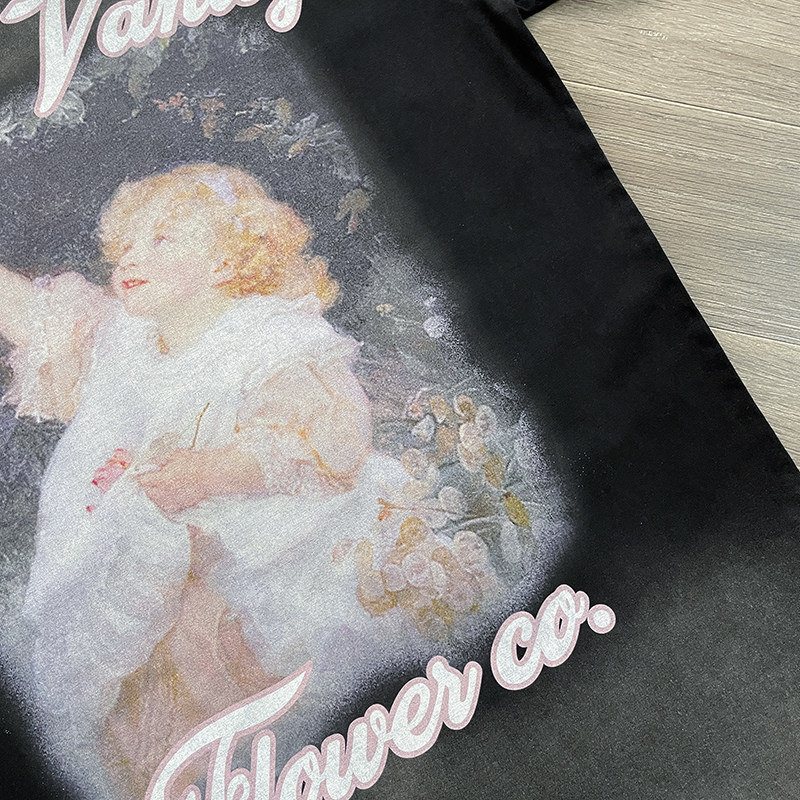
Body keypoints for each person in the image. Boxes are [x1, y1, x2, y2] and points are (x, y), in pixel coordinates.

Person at [0, 163, 438, 799]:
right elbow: (35, 314)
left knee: (225, 692)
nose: (131, 257)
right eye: (126, 243)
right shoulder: (122, 340)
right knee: (135, 721)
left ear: (227, 263)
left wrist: (208, 472)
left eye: (163, 240)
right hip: (142, 561)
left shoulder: (265, 339)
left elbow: (331, 439)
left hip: (253, 568)